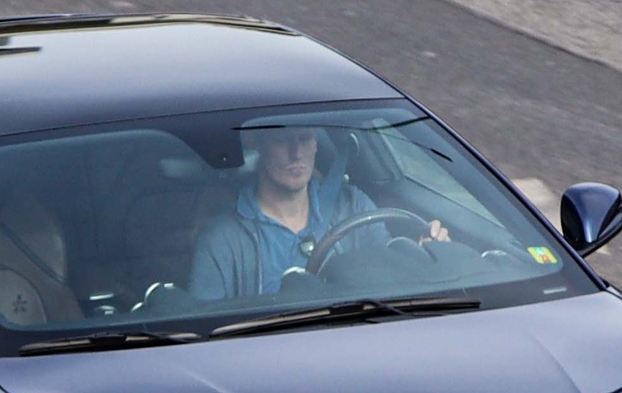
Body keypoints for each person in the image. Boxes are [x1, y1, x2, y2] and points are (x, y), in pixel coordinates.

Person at [187, 125, 445, 301]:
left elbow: (386, 276)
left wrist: (419, 256)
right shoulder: (221, 239)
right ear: (258, 144)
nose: (296, 153)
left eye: (305, 139)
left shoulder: (353, 206)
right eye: (282, 139)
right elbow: (208, 333)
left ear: (316, 146)